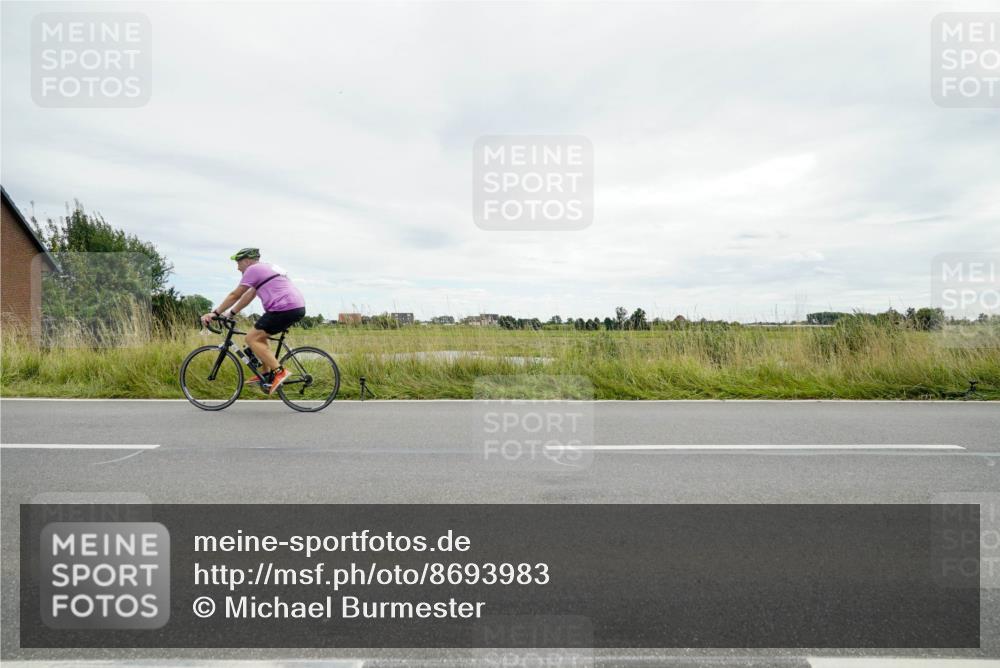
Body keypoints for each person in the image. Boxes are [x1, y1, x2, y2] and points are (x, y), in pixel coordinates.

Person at [200, 248, 306, 394]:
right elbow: (248, 296)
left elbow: (235, 294)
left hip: (283, 307)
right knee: (260, 336)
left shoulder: (254, 269)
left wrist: (215, 313)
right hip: (294, 306)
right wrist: (230, 314)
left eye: (238, 263)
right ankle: (266, 373)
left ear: (247, 261)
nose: (237, 267)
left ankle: (280, 371)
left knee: (251, 338)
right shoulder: (265, 268)